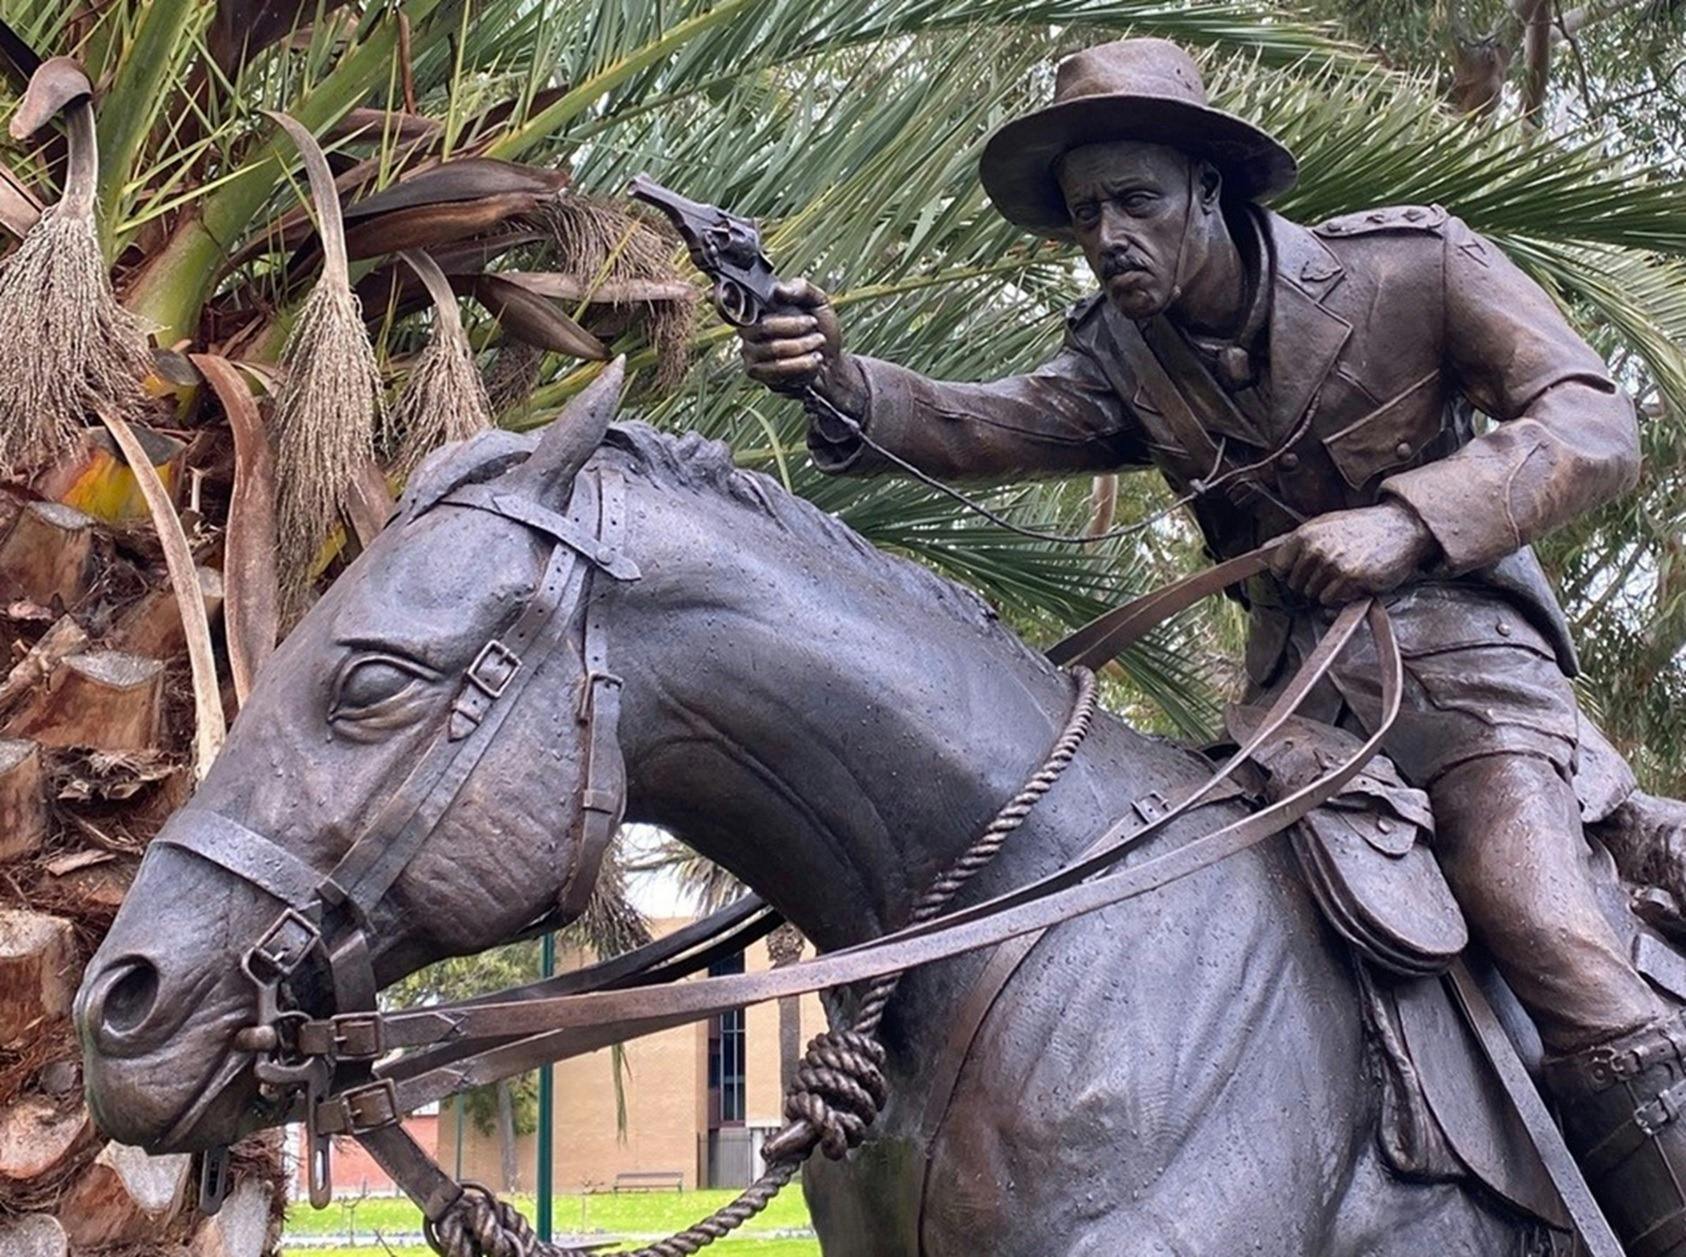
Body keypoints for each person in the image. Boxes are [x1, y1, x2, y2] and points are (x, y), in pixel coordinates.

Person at [735, 36, 1685, 1254]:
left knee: (1541, 921)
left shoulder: (1416, 266)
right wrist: (838, 381)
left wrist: (1408, 524)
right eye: (1085, 215)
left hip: (1468, 678)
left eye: (1134, 202)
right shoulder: (1121, 356)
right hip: (1290, 720)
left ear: (1208, 193)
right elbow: (982, 425)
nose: (1107, 236)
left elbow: (1593, 422)